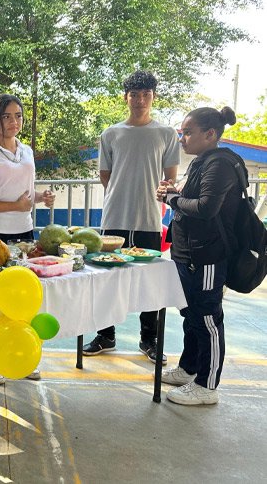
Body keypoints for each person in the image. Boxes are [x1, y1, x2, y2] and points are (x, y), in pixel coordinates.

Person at [82, 70, 180, 364]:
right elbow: (105, 178)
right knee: (106, 279)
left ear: (153, 97)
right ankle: (106, 335)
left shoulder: (166, 134)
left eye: (146, 94)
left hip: (150, 218)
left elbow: (169, 179)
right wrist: (124, 195)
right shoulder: (111, 134)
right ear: (125, 97)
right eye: (134, 95)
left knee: (148, 282)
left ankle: (148, 339)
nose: (140, 100)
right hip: (114, 219)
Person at [155, 106, 238, 405]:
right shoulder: (203, 162)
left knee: (207, 318)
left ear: (210, 134)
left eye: (188, 133)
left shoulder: (220, 164)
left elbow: (205, 208)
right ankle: (189, 368)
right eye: (182, 132)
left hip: (207, 257)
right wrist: (175, 193)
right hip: (187, 255)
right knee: (190, 316)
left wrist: (172, 198)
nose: (182, 139)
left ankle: (207, 385)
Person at [0, 93, 55, 384]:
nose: (13, 122)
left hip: (25, 230)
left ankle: (25, 354)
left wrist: (41, 197)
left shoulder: (27, 151)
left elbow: (26, 193)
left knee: (26, 296)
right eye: (6, 116)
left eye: (18, 116)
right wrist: (16, 206)